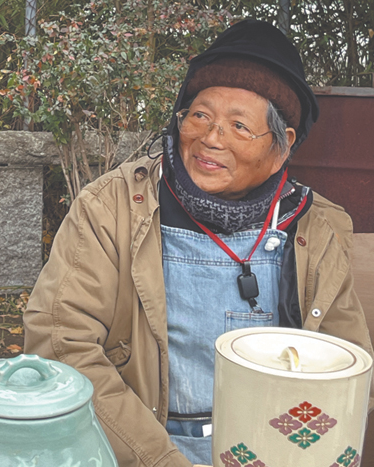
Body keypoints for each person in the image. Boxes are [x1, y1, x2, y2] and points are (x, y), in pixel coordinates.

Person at [23, 19, 374, 467]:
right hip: (142, 444)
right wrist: (160, 459)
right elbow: (60, 343)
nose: (211, 138)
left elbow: (350, 367)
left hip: (277, 445)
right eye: (200, 115)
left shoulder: (312, 226)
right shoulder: (111, 208)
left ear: (282, 147)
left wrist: (294, 450)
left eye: (239, 126)